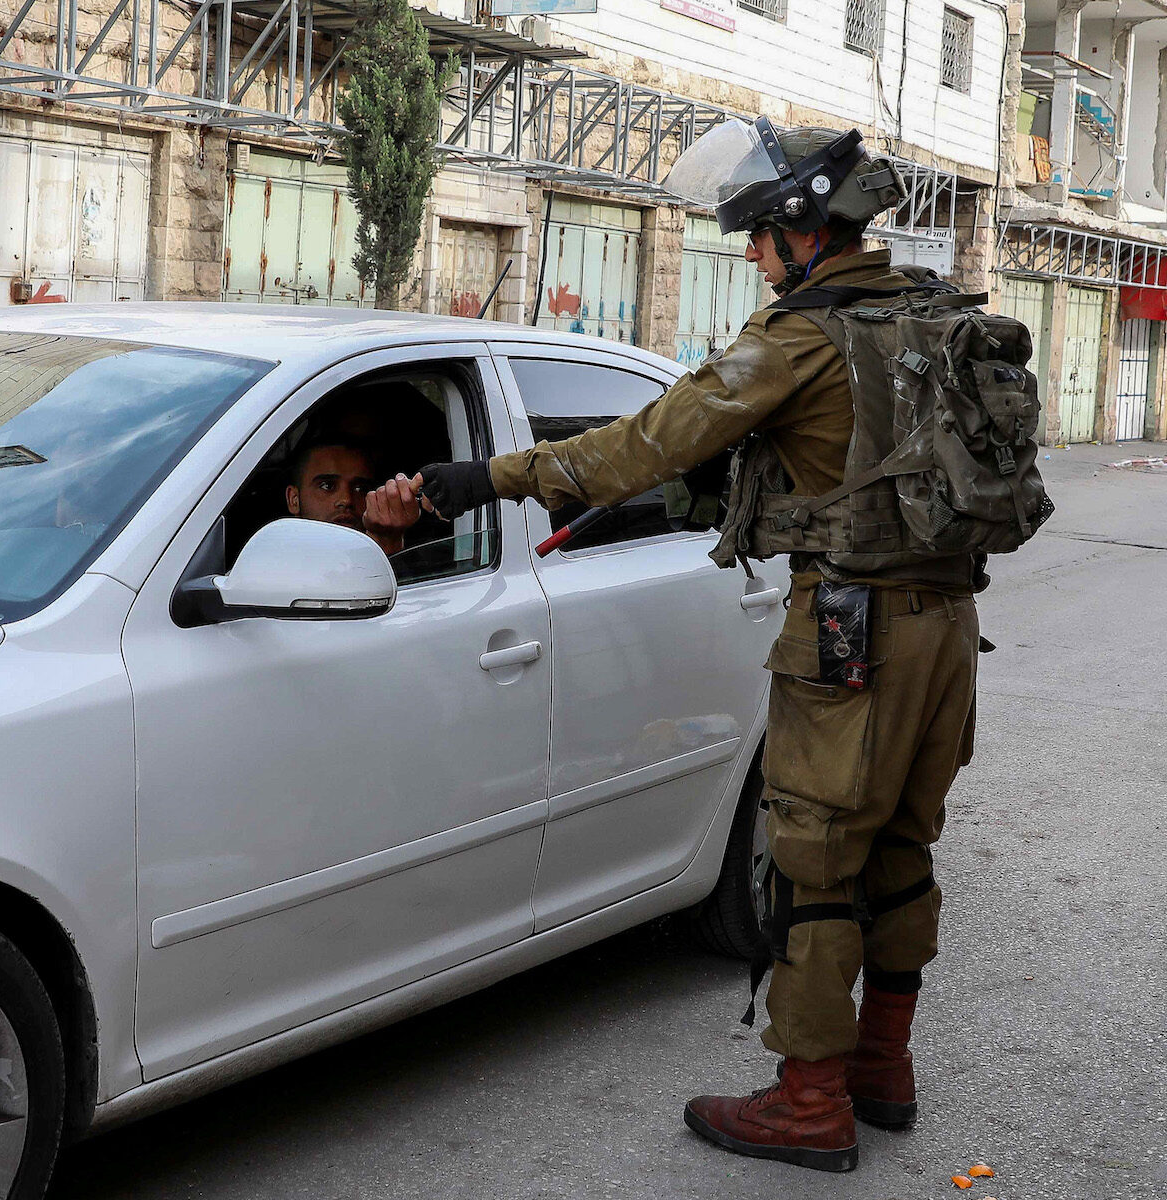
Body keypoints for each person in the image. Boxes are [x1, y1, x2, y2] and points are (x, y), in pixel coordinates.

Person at [415, 120, 1023, 1174]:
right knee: (899, 852)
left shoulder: (800, 337)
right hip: (947, 627)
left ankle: (810, 1101)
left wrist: (485, 479)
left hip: (851, 635)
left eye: (756, 237)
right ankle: (883, 1067)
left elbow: (643, 444)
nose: (748, 254)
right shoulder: (930, 315)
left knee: (814, 864)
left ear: (802, 232)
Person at [283, 440, 421, 556]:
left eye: (360, 489)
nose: (346, 500)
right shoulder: (275, 567)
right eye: (327, 486)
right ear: (293, 499)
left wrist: (388, 543)